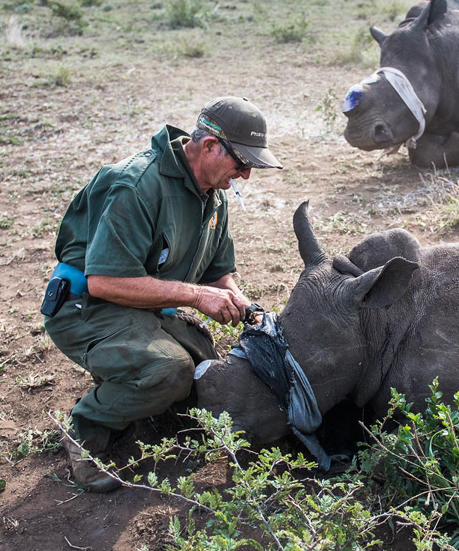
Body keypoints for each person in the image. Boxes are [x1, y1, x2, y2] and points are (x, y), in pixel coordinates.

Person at [43, 96, 282, 492]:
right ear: (209, 147)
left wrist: (243, 304)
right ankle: (85, 431)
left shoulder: (213, 196)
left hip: (141, 305)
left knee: (204, 356)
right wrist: (194, 296)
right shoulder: (137, 185)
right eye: (241, 164)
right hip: (86, 306)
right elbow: (103, 281)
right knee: (169, 369)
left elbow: (219, 271)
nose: (245, 176)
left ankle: (138, 396)